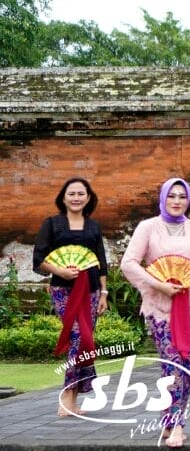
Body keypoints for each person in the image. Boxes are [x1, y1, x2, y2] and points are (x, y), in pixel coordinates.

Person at [120, 178, 190, 448]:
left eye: (182, 196)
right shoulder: (148, 228)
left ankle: (170, 420)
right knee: (172, 362)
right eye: (172, 196)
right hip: (161, 308)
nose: (177, 201)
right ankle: (177, 424)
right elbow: (128, 263)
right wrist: (158, 285)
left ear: (188, 200)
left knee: (188, 363)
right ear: (163, 198)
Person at [33, 177, 109, 417]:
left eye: (81, 194)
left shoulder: (93, 226)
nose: (76, 198)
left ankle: (74, 400)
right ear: (63, 197)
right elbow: (39, 259)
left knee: (87, 341)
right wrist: (61, 271)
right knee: (78, 336)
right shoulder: (52, 224)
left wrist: (104, 293)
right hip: (63, 289)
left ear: (88, 198)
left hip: (92, 289)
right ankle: (66, 396)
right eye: (72, 193)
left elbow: (101, 262)